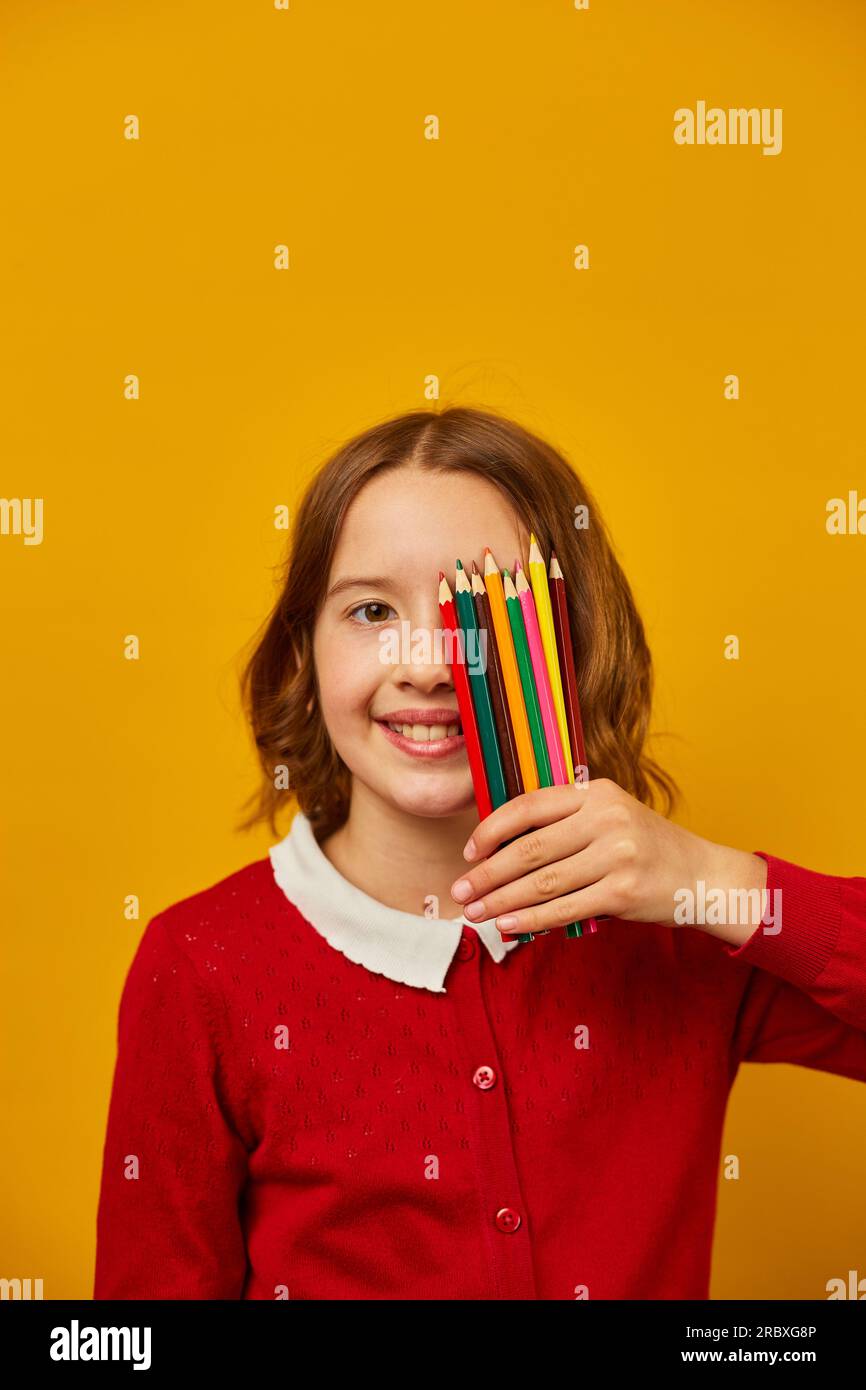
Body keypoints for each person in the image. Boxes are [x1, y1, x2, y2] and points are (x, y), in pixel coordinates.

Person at [93, 406, 866, 1300]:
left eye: (480, 609)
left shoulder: (678, 931)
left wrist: (712, 881)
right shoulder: (199, 968)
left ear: (568, 647)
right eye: (372, 610)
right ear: (306, 648)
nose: (426, 663)